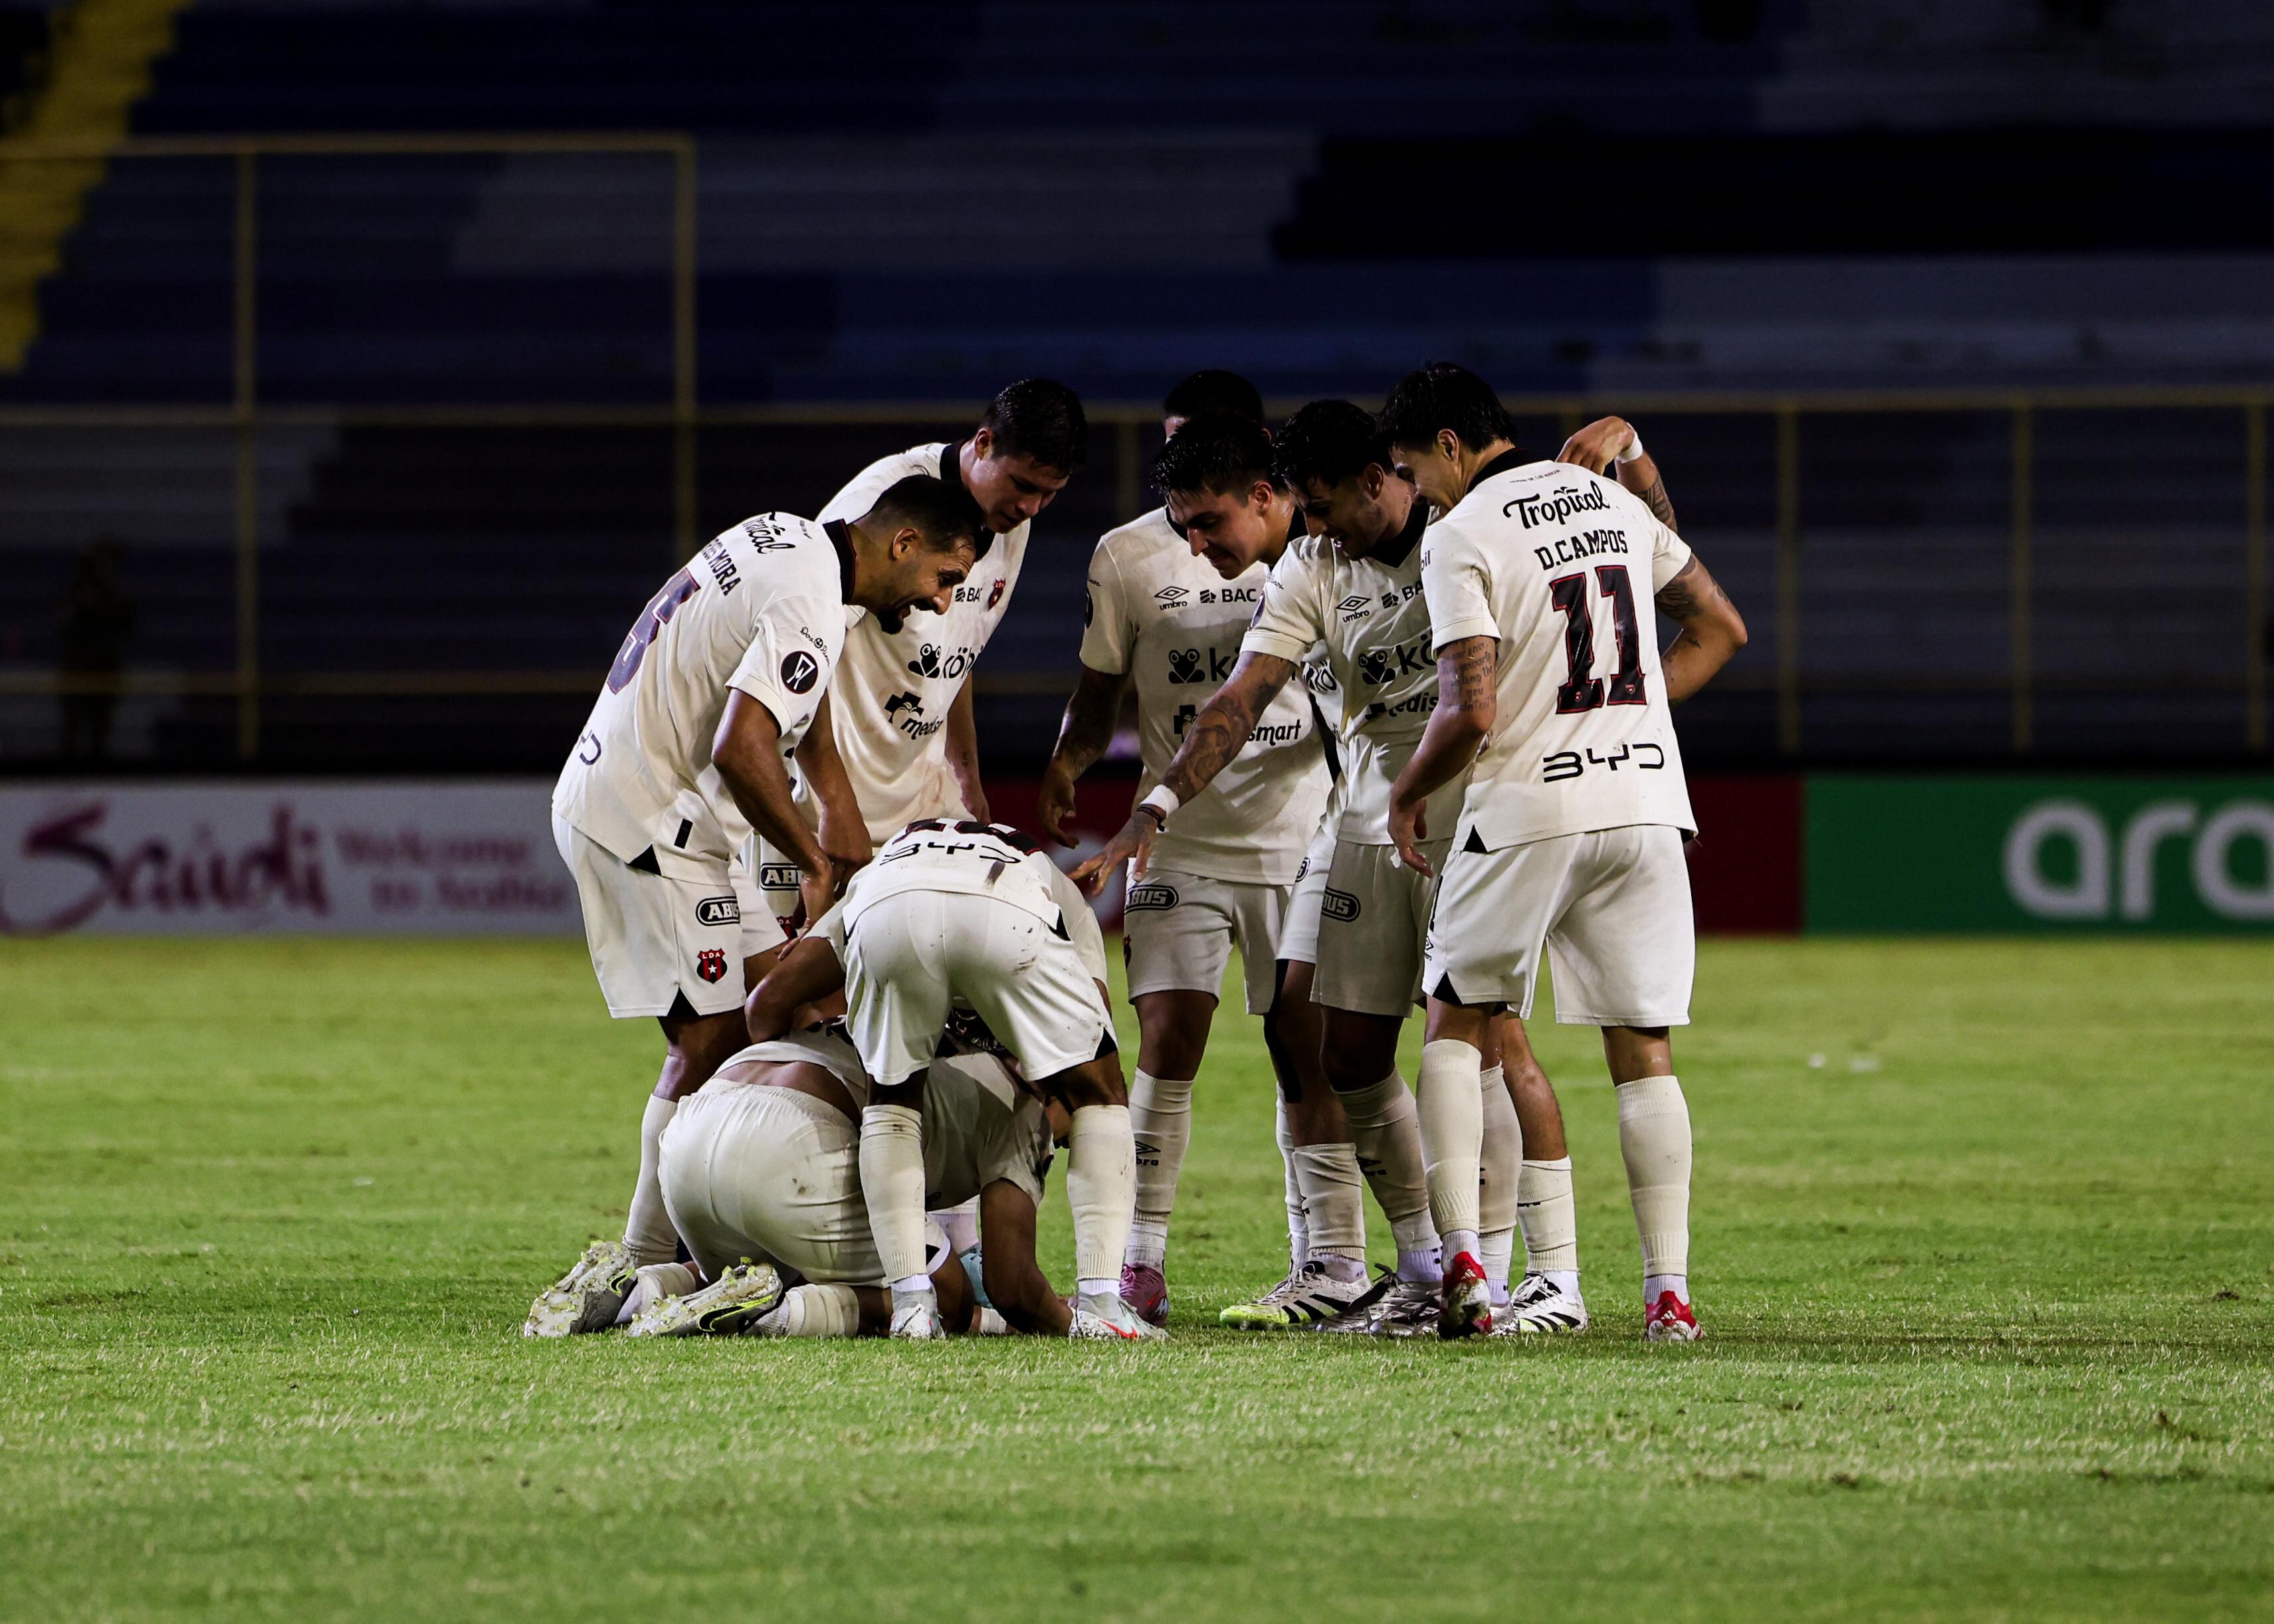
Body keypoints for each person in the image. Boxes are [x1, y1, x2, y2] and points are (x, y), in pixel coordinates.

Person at [525, 478, 985, 1337]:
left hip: (672, 816)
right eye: (944, 576)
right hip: (650, 821)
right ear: (903, 542)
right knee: (710, 1040)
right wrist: (814, 855)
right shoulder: (812, 597)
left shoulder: (793, 540)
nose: (940, 601)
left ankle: (684, 1253)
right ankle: (641, 1262)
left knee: (774, 1001)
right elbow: (742, 748)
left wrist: (837, 811)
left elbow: (790, 709)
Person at [1382, 363, 1748, 1340]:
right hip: (1643, 800)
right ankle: (1667, 1296)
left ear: (1449, 448)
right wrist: (1623, 715)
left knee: (1455, 1021)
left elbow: (1474, 709)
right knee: (1641, 1048)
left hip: (1529, 805)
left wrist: (1408, 791)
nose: (1417, 490)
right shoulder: (1607, 498)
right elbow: (1719, 627)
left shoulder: (1460, 533)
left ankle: (1466, 1266)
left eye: (1415, 468)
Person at [1047, 391, 1372, 1332]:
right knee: (1167, 1042)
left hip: (1301, 838)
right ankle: (1137, 1260)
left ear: (1259, 472)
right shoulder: (1130, 555)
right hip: (1178, 841)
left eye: (1199, 467)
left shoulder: (1320, 559)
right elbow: (1099, 686)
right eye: (1170, 457)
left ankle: (1332, 1257)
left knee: (1302, 1050)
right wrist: (1070, 762)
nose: (1190, 529)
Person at [744, 816, 1156, 1342]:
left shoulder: (879, 876)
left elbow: (765, 1006)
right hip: (1006, 907)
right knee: (1101, 1094)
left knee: (891, 1098)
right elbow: (1090, 1065)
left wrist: (826, 1040)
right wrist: (1052, 1108)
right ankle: (1102, 1307)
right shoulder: (1061, 901)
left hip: (892, 908)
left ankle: (913, 1305)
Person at [754, 379, 1090, 921]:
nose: (1031, 506)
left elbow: (960, 646)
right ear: (983, 445)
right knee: (802, 997)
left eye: (1050, 494)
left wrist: (965, 773)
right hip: (824, 801)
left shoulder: (1009, 518)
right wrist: (835, 803)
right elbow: (797, 647)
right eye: (1023, 484)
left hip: (921, 803)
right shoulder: (879, 506)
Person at [623, 1022, 1076, 1339]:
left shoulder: (915, 1009)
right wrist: (1061, 1319)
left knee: (745, 1272)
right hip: (796, 1144)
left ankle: (640, 1289)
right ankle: (776, 1316)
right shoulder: (1029, 1108)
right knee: (943, 1298)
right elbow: (1012, 1286)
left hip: (694, 1126)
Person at [58, 538, 133, 763]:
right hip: (78, 671)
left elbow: (129, 626)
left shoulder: (116, 594)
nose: (106, 566)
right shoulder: (78, 592)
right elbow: (65, 622)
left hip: (104, 671)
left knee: (100, 733)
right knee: (73, 731)